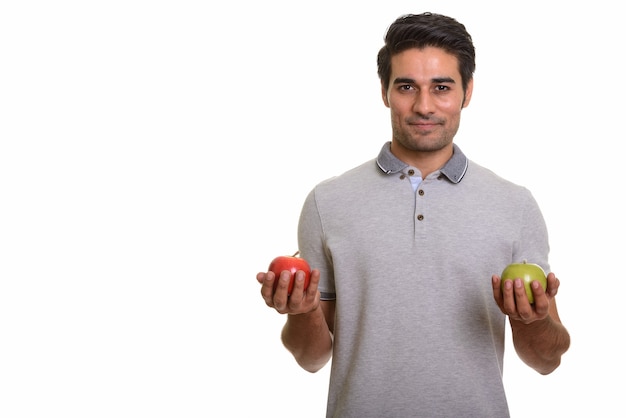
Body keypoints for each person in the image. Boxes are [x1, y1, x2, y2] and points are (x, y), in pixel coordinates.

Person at [257, 12, 570, 417]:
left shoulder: (515, 204)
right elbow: (311, 357)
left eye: (442, 87)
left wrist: (533, 320)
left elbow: (547, 361)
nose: (424, 106)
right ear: (385, 92)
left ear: (467, 91)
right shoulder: (328, 201)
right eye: (407, 86)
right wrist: (301, 313)